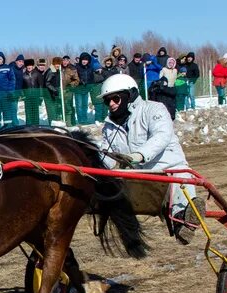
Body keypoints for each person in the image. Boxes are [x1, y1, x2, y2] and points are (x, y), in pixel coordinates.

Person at [99, 74, 203, 244]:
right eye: (107, 101)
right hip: (143, 179)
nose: (111, 104)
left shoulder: (154, 109)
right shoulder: (110, 127)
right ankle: (182, 220)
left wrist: (138, 156)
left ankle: (185, 222)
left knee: (179, 192)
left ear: (130, 95)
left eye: (115, 98)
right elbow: (106, 154)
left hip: (171, 170)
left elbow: (161, 136)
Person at [21, 58, 44, 125]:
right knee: (28, 112)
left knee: (35, 111)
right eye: (27, 66)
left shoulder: (37, 74)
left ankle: (36, 125)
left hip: (36, 96)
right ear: (26, 67)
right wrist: (23, 95)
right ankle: (28, 125)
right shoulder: (23, 75)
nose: (29, 67)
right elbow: (22, 87)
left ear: (33, 66)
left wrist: (40, 96)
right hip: (27, 97)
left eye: (30, 65)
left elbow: (40, 86)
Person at [74, 52, 94, 125]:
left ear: (88, 61)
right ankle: (80, 120)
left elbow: (92, 78)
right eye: (83, 59)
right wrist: (79, 81)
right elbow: (74, 77)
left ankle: (85, 119)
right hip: (78, 89)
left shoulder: (90, 68)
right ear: (80, 60)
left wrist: (90, 85)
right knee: (79, 105)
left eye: (86, 60)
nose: (84, 61)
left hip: (86, 89)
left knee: (85, 105)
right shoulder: (77, 67)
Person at [59, 55, 79, 126]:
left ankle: (70, 122)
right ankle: (61, 122)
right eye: (64, 60)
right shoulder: (58, 67)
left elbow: (76, 80)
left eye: (66, 60)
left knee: (68, 106)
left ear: (69, 61)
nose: (65, 62)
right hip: (59, 90)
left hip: (68, 91)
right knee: (60, 106)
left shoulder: (72, 68)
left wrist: (71, 85)